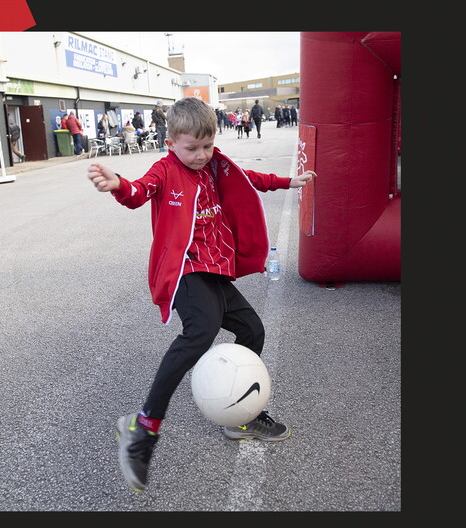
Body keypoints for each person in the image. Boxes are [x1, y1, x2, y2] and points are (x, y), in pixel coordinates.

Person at [85, 96, 316, 492]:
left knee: (253, 332)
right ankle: (142, 428)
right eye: (192, 148)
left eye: (207, 146)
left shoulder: (214, 166)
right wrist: (118, 186)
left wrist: (288, 182)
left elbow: (248, 178)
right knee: (201, 330)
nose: (201, 155)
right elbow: (140, 192)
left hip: (215, 271)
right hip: (184, 271)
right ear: (171, 141)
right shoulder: (165, 170)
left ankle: (241, 415)